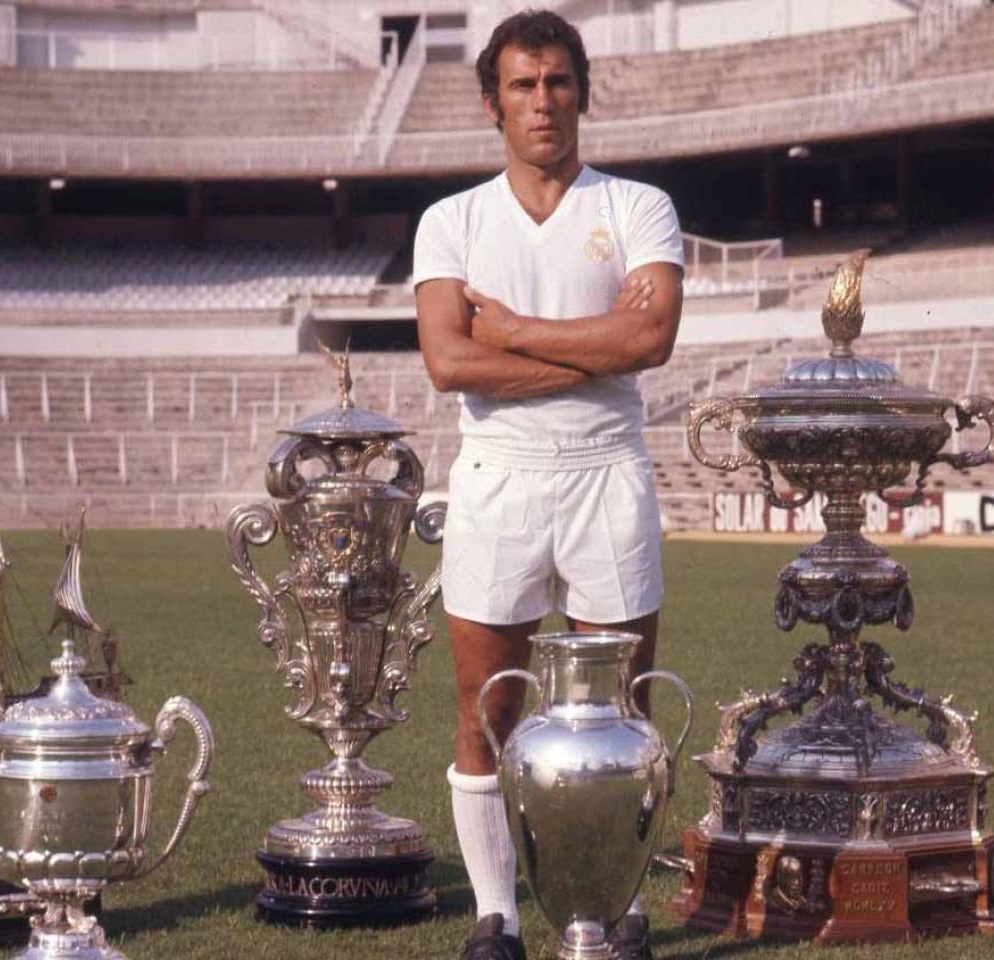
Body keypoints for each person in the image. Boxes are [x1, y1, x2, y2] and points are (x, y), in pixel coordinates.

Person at [409, 10, 684, 960]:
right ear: (494, 104)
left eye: (558, 81)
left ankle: (616, 906)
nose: (542, 101)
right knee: (488, 709)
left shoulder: (638, 207)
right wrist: (594, 352)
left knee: (623, 712)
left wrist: (514, 332)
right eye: (522, 85)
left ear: (582, 93)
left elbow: (651, 339)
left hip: (609, 470)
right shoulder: (451, 221)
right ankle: (498, 917)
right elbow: (449, 362)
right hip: (501, 477)